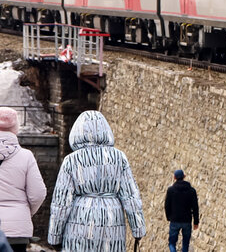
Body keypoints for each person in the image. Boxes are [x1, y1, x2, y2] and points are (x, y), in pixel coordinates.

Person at [47, 110, 145, 252]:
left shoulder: (71, 160)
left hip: (80, 219)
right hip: (112, 219)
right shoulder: (119, 158)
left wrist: (54, 237)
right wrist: (138, 229)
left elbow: (61, 203)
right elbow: (131, 196)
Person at [0, 107, 46, 252]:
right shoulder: (26, 156)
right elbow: (38, 193)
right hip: (17, 231)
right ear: (15, 128)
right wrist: (24, 212)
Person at [164, 169, 200, 252]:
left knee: (172, 243)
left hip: (174, 220)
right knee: (185, 244)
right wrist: (196, 222)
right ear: (184, 176)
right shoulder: (191, 191)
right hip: (187, 220)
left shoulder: (171, 190)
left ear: (174, 177)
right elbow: (195, 207)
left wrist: (169, 217)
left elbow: (167, 205)